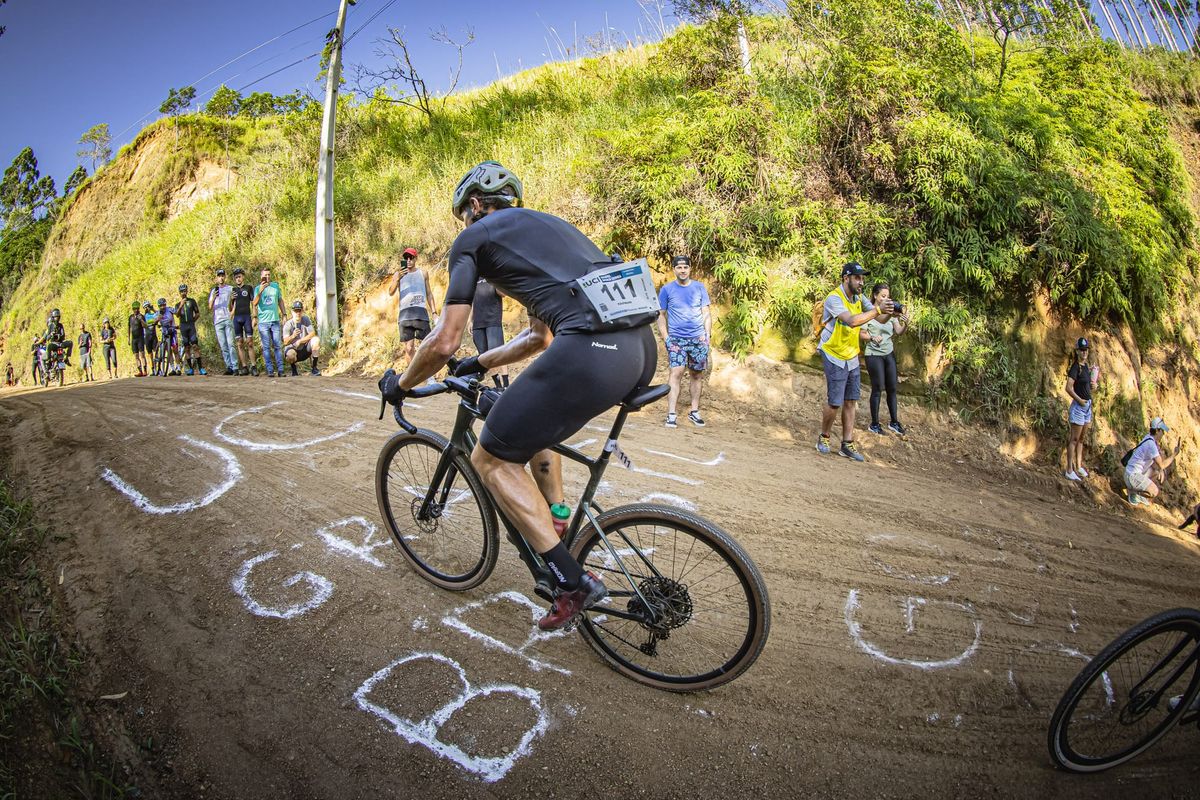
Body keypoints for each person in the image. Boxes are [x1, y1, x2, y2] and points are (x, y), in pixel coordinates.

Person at [379, 161, 658, 631]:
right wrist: (479, 363)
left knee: (492, 459)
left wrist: (401, 384)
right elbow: (537, 339)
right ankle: (558, 517)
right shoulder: (546, 230)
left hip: (591, 348)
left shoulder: (474, 239)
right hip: (638, 350)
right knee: (526, 423)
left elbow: (444, 339)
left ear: (472, 207)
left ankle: (572, 583)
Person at [816, 263, 895, 462]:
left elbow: (880, 319)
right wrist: (878, 310)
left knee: (851, 400)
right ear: (846, 278)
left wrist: (892, 310)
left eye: (862, 278)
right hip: (833, 352)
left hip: (851, 354)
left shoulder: (859, 298)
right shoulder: (834, 298)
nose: (861, 282)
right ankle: (824, 437)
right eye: (857, 278)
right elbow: (851, 321)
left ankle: (847, 444)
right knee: (835, 402)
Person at [656, 255, 711, 428]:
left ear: (690, 269)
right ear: (674, 269)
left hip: (697, 339)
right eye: (679, 268)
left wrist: (707, 336)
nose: (682, 270)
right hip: (676, 340)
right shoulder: (667, 289)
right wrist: (666, 338)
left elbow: (706, 312)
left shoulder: (699, 288)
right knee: (676, 373)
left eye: (685, 267)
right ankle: (671, 414)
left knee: (696, 374)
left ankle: (694, 412)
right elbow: (660, 315)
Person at [861, 282, 908, 436]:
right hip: (873, 354)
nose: (886, 299)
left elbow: (899, 331)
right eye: (883, 296)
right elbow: (861, 334)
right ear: (875, 296)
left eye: (888, 296)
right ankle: (874, 424)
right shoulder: (869, 312)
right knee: (877, 388)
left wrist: (906, 323)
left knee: (892, 388)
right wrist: (872, 337)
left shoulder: (889, 312)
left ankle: (894, 422)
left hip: (888, 353)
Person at [388, 247, 439, 367]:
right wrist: (397, 280)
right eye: (406, 258)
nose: (409, 260)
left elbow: (429, 293)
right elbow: (390, 292)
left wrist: (434, 312)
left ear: (416, 258)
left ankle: (428, 375)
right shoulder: (398, 274)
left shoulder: (423, 273)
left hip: (421, 312)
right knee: (409, 348)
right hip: (405, 315)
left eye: (411, 257)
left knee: (426, 346)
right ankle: (411, 377)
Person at [1064, 337, 1097, 481]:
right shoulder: (1075, 367)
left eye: (1086, 350)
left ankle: (1078, 466)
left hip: (1087, 406)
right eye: (1082, 350)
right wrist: (1079, 400)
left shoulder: (1085, 367)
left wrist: (1094, 387)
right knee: (1074, 439)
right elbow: (1068, 387)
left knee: (1082, 439)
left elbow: (1086, 386)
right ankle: (1069, 469)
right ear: (1077, 351)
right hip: (1079, 407)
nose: (1084, 353)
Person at [1124, 417, 1175, 506]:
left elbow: (1158, 465)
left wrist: (1161, 470)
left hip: (1130, 473)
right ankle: (1133, 493)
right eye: (1162, 431)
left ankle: (1136, 490)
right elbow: (1162, 464)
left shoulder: (1148, 438)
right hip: (1132, 476)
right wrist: (1174, 454)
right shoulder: (1151, 444)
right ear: (1157, 431)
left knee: (1156, 472)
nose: (1163, 434)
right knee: (1154, 492)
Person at [470, 277, 508, 386]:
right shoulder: (474, 276)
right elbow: (473, 299)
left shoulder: (493, 273)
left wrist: (493, 279)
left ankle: (506, 385)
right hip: (478, 321)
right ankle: (498, 386)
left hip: (493, 320)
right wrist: (470, 320)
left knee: (499, 353)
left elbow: (503, 293)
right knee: (486, 356)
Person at [254, 267, 285, 378]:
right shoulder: (258, 288)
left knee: (277, 345)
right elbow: (254, 303)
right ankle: (270, 370)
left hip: (275, 320)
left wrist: (284, 314)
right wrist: (261, 291)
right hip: (263, 321)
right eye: (265, 275)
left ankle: (281, 369)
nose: (267, 277)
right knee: (266, 347)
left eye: (268, 275)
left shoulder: (275, 286)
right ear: (261, 276)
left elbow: (280, 300)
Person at [228, 268, 257, 376]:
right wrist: (230, 299)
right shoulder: (233, 290)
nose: (238, 279)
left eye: (239, 276)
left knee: (249, 342)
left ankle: (253, 366)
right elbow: (230, 308)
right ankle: (244, 367)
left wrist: (255, 317)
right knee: (239, 343)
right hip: (237, 318)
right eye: (236, 277)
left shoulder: (248, 288)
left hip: (247, 317)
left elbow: (253, 303)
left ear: (243, 277)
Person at [209, 268, 237, 375]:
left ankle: (235, 367)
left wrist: (232, 312)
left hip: (228, 319)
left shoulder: (230, 288)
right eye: (219, 276)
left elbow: (234, 302)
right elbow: (210, 307)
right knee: (223, 345)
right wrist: (213, 297)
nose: (221, 278)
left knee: (231, 344)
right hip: (218, 320)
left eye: (222, 275)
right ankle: (229, 366)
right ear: (216, 278)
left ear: (225, 277)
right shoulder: (214, 291)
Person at [282, 300, 321, 376]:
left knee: (316, 340)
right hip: (293, 350)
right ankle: (294, 369)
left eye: (299, 311)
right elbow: (285, 342)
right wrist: (293, 336)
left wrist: (300, 341)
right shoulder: (288, 324)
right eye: (296, 311)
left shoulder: (305, 319)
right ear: (292, 312)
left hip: (304, 349)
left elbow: (312, 333)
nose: (298, 313)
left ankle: (314, 368)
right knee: (290, 355)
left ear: (302, 311)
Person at [175, 284, 205, 376]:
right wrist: (181, 305)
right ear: (180, 293)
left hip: (190, 325)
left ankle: (200, 368)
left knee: (195, 346)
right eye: (181, 291)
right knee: (187, 347)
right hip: (183, 326)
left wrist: (192, 321)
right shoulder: (177, 304)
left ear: (187, 291)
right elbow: (177, 315)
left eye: (184, 291)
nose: (183, 293)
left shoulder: (192, 301)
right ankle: (191, 369)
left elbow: (197, 313)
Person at [156, 298, 181, 376]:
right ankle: (172, 368)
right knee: (168, 351)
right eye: (161, 306)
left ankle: (178, 368)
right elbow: (153, 322)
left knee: (175, 350)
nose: (163, 307)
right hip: (164, 332)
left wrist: (179, 325)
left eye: (164, 305)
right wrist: (157, 320)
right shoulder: (157, 313)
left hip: (172, 331)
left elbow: (177, 314)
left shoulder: (170, 309)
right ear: (159, 306)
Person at [128, 301, 148, 377]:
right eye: (134, 309)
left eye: (137, 308)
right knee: (136, 355)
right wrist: (129, 339)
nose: (136, 310)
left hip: (140, 338)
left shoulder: (141, 316)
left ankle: (145, 370)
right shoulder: (131, 317)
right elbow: (129, 328)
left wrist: (141, 320)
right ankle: (140, 371)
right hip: (134, 339)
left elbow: (145, 326)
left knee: (142, 354)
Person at [142, 302, 160, 375]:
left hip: (153, 335)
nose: (147, 308)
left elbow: (159, 315)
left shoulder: (153, 314)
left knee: (156, 352)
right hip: (146, 336)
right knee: (150, 355)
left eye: (148, 306)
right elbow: (143, 324)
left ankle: (159, 369)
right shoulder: (143, 316)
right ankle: (153, 370)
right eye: (145, 307)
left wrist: (153, 309)